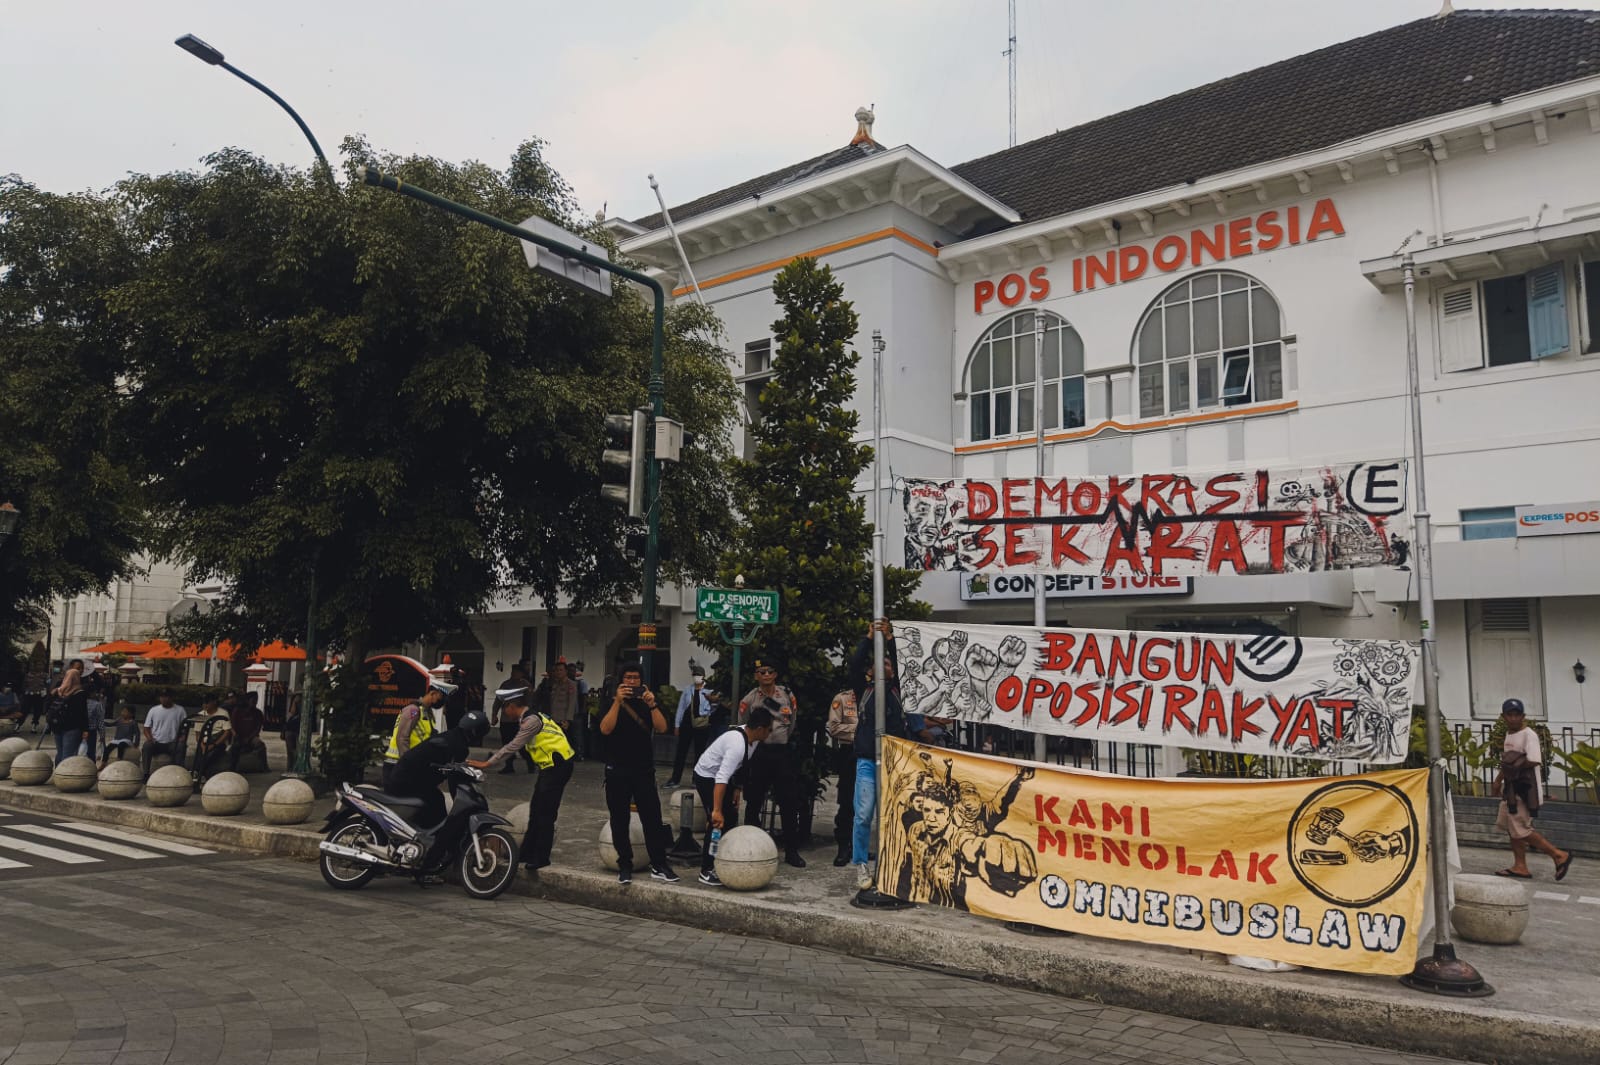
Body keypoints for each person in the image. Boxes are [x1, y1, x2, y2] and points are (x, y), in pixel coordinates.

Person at [850, 619, 931, 890]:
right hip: (867, 762)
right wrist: (868, 638)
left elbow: (906, 666)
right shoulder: (865, 691)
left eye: (888, 664)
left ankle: (896, 862)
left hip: (895, 762)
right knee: (863, 815)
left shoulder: (901, 692)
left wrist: (890, 640)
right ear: (870, 672)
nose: (883, 666)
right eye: (878, 664)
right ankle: (861, 863)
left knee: (897, 815)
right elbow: (854, 665)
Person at [469, 685, 574, 874]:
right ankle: (527, 853)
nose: (503, 713)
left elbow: (512, 747)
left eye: (504, 708)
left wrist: (487, 764)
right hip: (551, 766)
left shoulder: (530, 721)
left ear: (511, 706)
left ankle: (541, 858)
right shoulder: (531, 716)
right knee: (536, 809)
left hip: (557, 766)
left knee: (545, 813)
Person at [597, 662, 678, 884]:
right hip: (617, 770)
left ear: (642, 681)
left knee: (652, 818)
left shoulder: (646, 702)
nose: (632, 682)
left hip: (643, 769)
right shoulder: (610, 702)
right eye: (628, 678)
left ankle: (659, 863)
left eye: (636, 678)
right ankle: (625, 864)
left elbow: (662, 728)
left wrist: (652, 705)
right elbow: (605, 729)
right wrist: (617, 702)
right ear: (620, 681)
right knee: (619, 819)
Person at [386, 709, 491, 874]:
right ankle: (426, 858)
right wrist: (461, 803)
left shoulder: (452, 737)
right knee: (436, 809)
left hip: (409, 778)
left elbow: (455, 773)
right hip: (407, 781)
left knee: (435, 801)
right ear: (476, 732)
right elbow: (455, 780)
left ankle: (421, 853)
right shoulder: (459, 746)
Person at [691, 706, 774, 886]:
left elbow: (742, 767)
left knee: (731, 817)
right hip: (707, 777)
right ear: (760, 729)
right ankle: (706, 870)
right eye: (769, 730)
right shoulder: (737, 743)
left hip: (724, 779)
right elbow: (720, 778)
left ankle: (723, 860)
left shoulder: (753, 740)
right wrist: (716, 810)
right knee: (717, 822)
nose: (770, 733)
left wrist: (736, 790)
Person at [1492, 698, 1573, 881]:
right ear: (1503, 716)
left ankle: (1558, 855)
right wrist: (1498, 781)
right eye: (1509, 715)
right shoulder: (1509, 735)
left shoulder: (1529, 735)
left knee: (1521, 827)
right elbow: (1507, 763)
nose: (1513, 718)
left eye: (1517, 715)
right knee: (1511, 827)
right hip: (1511, 789)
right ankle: (1520, 866)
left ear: (1523, 716)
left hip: (1524, 789)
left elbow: (1534, 759)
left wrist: (1513, 767)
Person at [738, 660, 806, 868]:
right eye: (761, 672)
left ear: (775, 675)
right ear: (756, 676)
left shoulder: (786, 695)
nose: (766, 675)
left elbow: (792, 721)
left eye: (770, 671)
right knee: (754, 800)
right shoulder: (751, 698)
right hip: (760, 753)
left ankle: (791, 851)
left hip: (782, 753)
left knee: (788, 802)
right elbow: (743, 723)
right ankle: (749, 846)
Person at [381, 681, 453, 788]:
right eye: (440, 697)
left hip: (410, 763)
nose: (441, 702)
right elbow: (402, 738)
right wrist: (407, 762)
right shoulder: (413, 710)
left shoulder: (427, 713)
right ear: (432, 693)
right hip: (397, 764)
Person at [662, 668, 715, 789]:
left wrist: (708, 713)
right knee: (681, 752)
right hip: (687, 724)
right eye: (695, 674)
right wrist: (677, 725)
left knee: (700, 753)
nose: (697, 677)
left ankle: (696, 780)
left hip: (701, 725)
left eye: (699, 675)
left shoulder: (709, 690)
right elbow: (681, 708)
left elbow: (715, 707)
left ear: (703, 676)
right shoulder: (688, 690)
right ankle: (675, 779)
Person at [825, 686, 859, 867]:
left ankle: (859, 847)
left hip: (874, 753)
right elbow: (834, 727)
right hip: (850, 752)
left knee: (868, 804)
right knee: (846, 801)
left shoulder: (879, 696)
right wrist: (862, 729)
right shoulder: (843, 698)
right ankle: (844, 847)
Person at [493, 664, 535, 775]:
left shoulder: (526, 686)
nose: (514, 674)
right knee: (506, 744)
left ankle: (531, 764)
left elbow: (529, 703)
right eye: (513, 672)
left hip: (519, 720)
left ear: (522, 674)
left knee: (522, 745)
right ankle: (509, 766)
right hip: (506, 719)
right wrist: (494, 715)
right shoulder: (505, 685)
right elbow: (497, 701)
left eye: (516, 672)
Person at [50, 658, 89, 764]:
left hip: (57, 725)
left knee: (60, 752)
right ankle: (63, 776)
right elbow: (82, 712)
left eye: (82, 668)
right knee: (67, 755)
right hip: (72, 727)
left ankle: (58, 775)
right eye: (78, 669)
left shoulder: (58, 690)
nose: (81, 671)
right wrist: (85, 729)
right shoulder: (80, 692)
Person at [141, 691, 187, 775]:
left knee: (181, 746)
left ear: (171, 698)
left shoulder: (180, 710)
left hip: (172, 743)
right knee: (147, 746)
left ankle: (178, 772)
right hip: (157, 742)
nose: (163, 699)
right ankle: (146, 773)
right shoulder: (153, 710)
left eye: (166, 697)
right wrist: (150, 738)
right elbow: (146, 728)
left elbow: (185, 727)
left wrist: (182, 738)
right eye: (161, 697)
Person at [194, 697, 233, 779]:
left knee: (211, 754)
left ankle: (200, 773)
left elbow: (227, 732)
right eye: (204, 703)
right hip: (204, 741)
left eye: (207, 702)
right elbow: (197, 734)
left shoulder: (223, 713)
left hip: (217, 741)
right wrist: (202, 746)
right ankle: (199, 773)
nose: (205, 705)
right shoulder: (200, 715)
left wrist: (214, 745)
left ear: (214, 702)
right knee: (200, 753)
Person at [228, 691, 266, 772]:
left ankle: (264, 766)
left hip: (251, 737)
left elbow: (257, 728)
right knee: (235, 746)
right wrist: (237, 736)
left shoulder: (258, 713)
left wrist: (249, 738)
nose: (255, 702)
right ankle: (232, 767)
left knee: (260, 744)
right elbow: (233, 726)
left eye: (256, 700)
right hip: (239, 736)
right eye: (253, 700)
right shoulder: (237, 711)